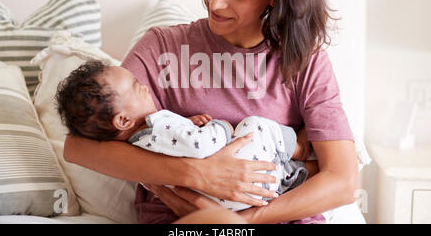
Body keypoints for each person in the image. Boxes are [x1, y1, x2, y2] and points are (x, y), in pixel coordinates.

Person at [63, 0, 358, 224]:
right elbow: (78, 148)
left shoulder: (304, 60)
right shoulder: (163, 48)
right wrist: (199, 174)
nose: (215, 2)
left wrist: (245, 220)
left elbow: (343, 181)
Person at [56, 60, 318, 211]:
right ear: (123, 119)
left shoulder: (141, 143)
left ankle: (301, 168)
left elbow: (181, 141)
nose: (145, 86)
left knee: (282, 170)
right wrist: (222, 127)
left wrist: (187, 124)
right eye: (137, 87)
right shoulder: (156, 125)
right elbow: (202, 145)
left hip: (236, 202)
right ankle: (299, 147)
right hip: (245, 173)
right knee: (254, 126)